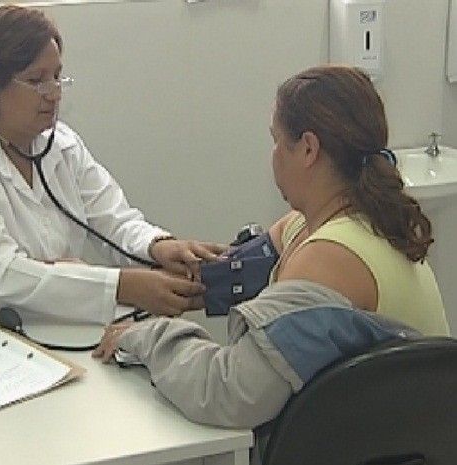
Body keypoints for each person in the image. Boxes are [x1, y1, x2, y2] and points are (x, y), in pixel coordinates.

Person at [93, 65, 450, 432]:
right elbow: (244, 268)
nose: (274, 155)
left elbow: (228, 391)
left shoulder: (328, 257)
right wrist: (169, 280)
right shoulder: (353, 219)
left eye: (277, 140)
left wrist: (146, 335)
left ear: (308, 148)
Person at [0, 5, 226, 323]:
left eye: (57, 76)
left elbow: (116, 222)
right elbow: (2, 275)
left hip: (45, 324)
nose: (54, 93)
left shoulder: (62, 145)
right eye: (37, 79)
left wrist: (159, 247)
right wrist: (121, 286)